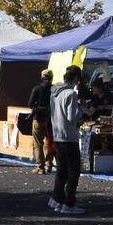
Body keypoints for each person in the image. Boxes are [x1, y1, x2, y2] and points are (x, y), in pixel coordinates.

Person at [49, 65, 87, 214]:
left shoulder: (54, 92)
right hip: (69, 137)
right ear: (76, 78)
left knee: (62, 171)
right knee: (73, 172)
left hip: (58, 135)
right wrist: (82, 109)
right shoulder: (71, 94)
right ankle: (69, 203)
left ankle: (57, 199)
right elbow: (72, 116)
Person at [27, 69, 55, 174]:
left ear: (42, 77)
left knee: (38, 143)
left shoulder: (37, 88)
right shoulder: (54, 89)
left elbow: (30, 104)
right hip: (51, 119)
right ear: (52, 77)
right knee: (49, 142)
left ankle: (40, 166)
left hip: (38, 118)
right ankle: (49, 164)